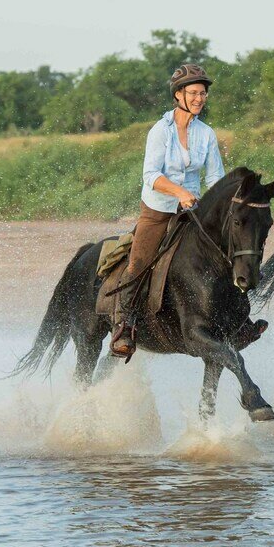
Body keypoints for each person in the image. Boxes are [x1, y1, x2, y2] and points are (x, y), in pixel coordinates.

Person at [110, 64, 225, 358]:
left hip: (193, 210)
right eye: (193, 93)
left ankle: (236, 317)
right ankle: (125, 325)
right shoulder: (160, 131)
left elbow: (215, 177)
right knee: (139, 261)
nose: (199, 98)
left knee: (227, 250)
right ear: (178, 95)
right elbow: (151, 175)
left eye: (203, 93)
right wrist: (180, 192)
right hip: (158, 210)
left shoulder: (207, 134)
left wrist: (221, 204)